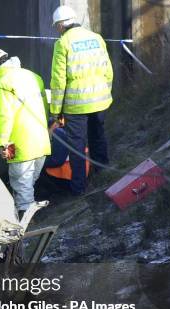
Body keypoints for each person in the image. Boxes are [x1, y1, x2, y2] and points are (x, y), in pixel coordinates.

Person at [50, 5, 113, 195]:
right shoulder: (96, 38)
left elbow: (59, 81)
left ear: (61, 25)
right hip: (100, 100)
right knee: (98, 137)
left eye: (57, 26)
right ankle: (103, 176)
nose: (57, 30)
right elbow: (107, 70)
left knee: (76, 146)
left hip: (76, 105)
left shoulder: (63, 43)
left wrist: (55, 110)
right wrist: (106, 93)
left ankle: (79, 189)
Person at [0, 49, 51, 216]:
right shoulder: (33, 76)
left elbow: (5, 116)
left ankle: (25, 222)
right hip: (41, 140)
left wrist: (2, 142)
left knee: (21, 184)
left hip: (20, 143)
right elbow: (44, 106)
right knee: (29, 182)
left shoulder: (3, 84)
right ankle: (31, 215)